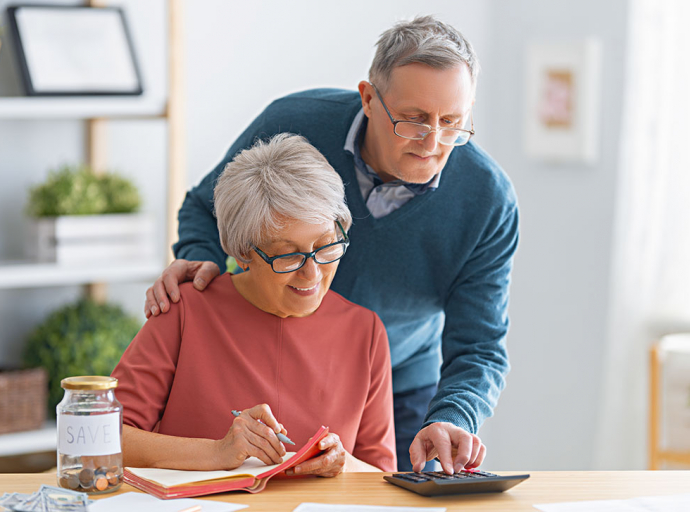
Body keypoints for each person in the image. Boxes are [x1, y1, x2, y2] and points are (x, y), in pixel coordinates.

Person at [145, 15, 518, 474]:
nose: (433, 141)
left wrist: (452, 416)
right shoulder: (294, 123)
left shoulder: (487, 200)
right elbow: (207, 206)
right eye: (413, 120)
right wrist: (201, 264)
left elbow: (480, 344)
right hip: (270, 358)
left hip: (400, 384)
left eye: (453, 123)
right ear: (368, 99)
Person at [113, 134, 397, 475]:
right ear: (243, 251)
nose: (312, 274)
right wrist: (217, 453)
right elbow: (101, 438)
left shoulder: (365, 331)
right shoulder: (184, 311)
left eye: (326, 246)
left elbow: (382, 477)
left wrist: (344, 464)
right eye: (288, 255)